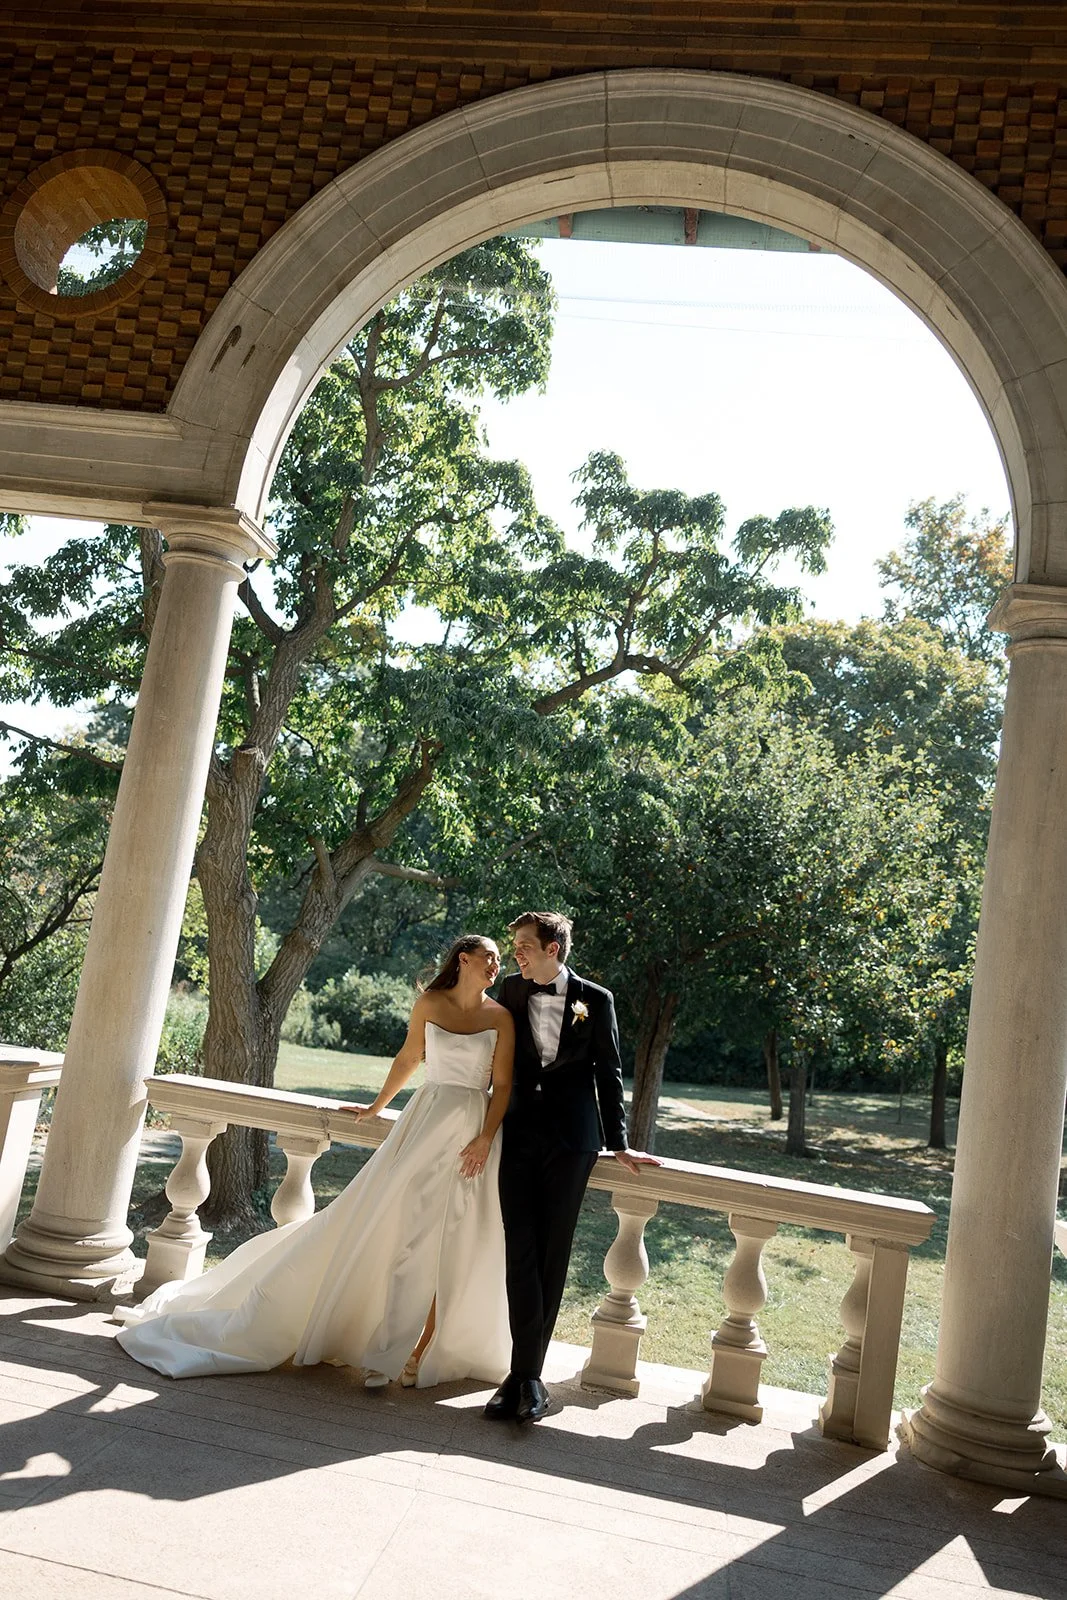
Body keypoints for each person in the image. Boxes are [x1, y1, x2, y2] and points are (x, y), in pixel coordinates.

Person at [116, 935, 514, 1390]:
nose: (496, 966)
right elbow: (409, 1057)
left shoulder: (501, 1017)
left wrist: (484, 1138)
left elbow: (501, 1086)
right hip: (425, 1123)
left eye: (499, 960)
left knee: (459, 1240)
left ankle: (428, 1348)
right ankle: (387, 1351)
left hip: (472, 1130)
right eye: (490, 958)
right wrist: (375, 1107)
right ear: (464, 959)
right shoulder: (430, 1002)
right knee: (404, 1231)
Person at [484, 910, 660, 1424]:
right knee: (520, 1249)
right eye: (515, 945)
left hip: (573, 1143)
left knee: (552, 1252)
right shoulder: (510, 994)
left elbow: (609, 1074)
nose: (515, 952)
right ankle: (523, 1377)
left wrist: (619, 1143)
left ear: (552, 949)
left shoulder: (595, 999)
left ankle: (525, 1378)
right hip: (516, 1138)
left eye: (523, 945)